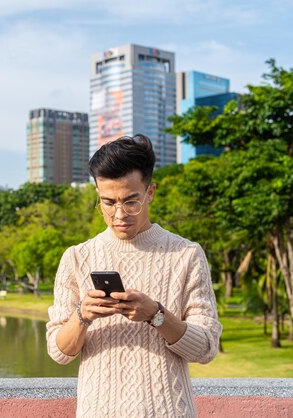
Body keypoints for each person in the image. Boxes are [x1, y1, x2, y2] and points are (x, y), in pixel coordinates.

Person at [46, 134, 222, 417]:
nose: (119, 214)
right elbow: (59, 353)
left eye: (131, 202)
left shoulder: (186, 254)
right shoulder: (76, 257)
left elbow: (206, 348)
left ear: (150, 192)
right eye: (108, 202)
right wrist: (82, 317)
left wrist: (156, 314)